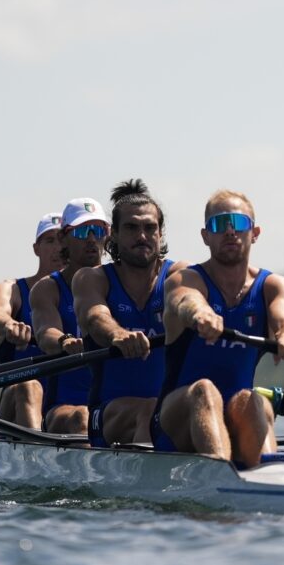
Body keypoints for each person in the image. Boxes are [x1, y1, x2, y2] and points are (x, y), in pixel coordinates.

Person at [151, 190, 284, 468]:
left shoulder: (274, 286)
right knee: (205, 390)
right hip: (174, 422)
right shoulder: (185, 279)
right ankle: (220, 472)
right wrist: (201, 314)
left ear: (255, 232)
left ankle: (267, 473)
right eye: (219, 224)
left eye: (239, 223)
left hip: (237, 414)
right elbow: (185, 300)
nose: (230, 231)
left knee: (252, 399)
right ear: (205, 236)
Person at [73, 179, 187, 447]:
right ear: (113, 235)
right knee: (148, 409)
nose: (142, 236)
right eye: (132, 228)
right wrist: (119, 335)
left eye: (150, 228)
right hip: (108, 415)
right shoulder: (92, 278)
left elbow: (191, 299)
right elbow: (95, 316)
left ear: (161, 234)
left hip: (168, 411)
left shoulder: (180, 275)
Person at [30, 197, 109, 434]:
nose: (92, 239)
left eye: (98, 230)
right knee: (82, 417)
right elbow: (46, 333)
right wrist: (64, 341)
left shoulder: (121, 282)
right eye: (83, 231)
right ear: (64, 238)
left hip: (112, 405)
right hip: (65, 406)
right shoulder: (47, 288)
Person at [0, 212, 64, 428]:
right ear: (36, 248)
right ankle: (36, 454)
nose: (58, 248)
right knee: (28, 386)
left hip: (64, 410)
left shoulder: (87, 293)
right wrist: (9, 324)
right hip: (13, 408)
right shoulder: (12, 289)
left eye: (62, 240)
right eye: (50, 240)